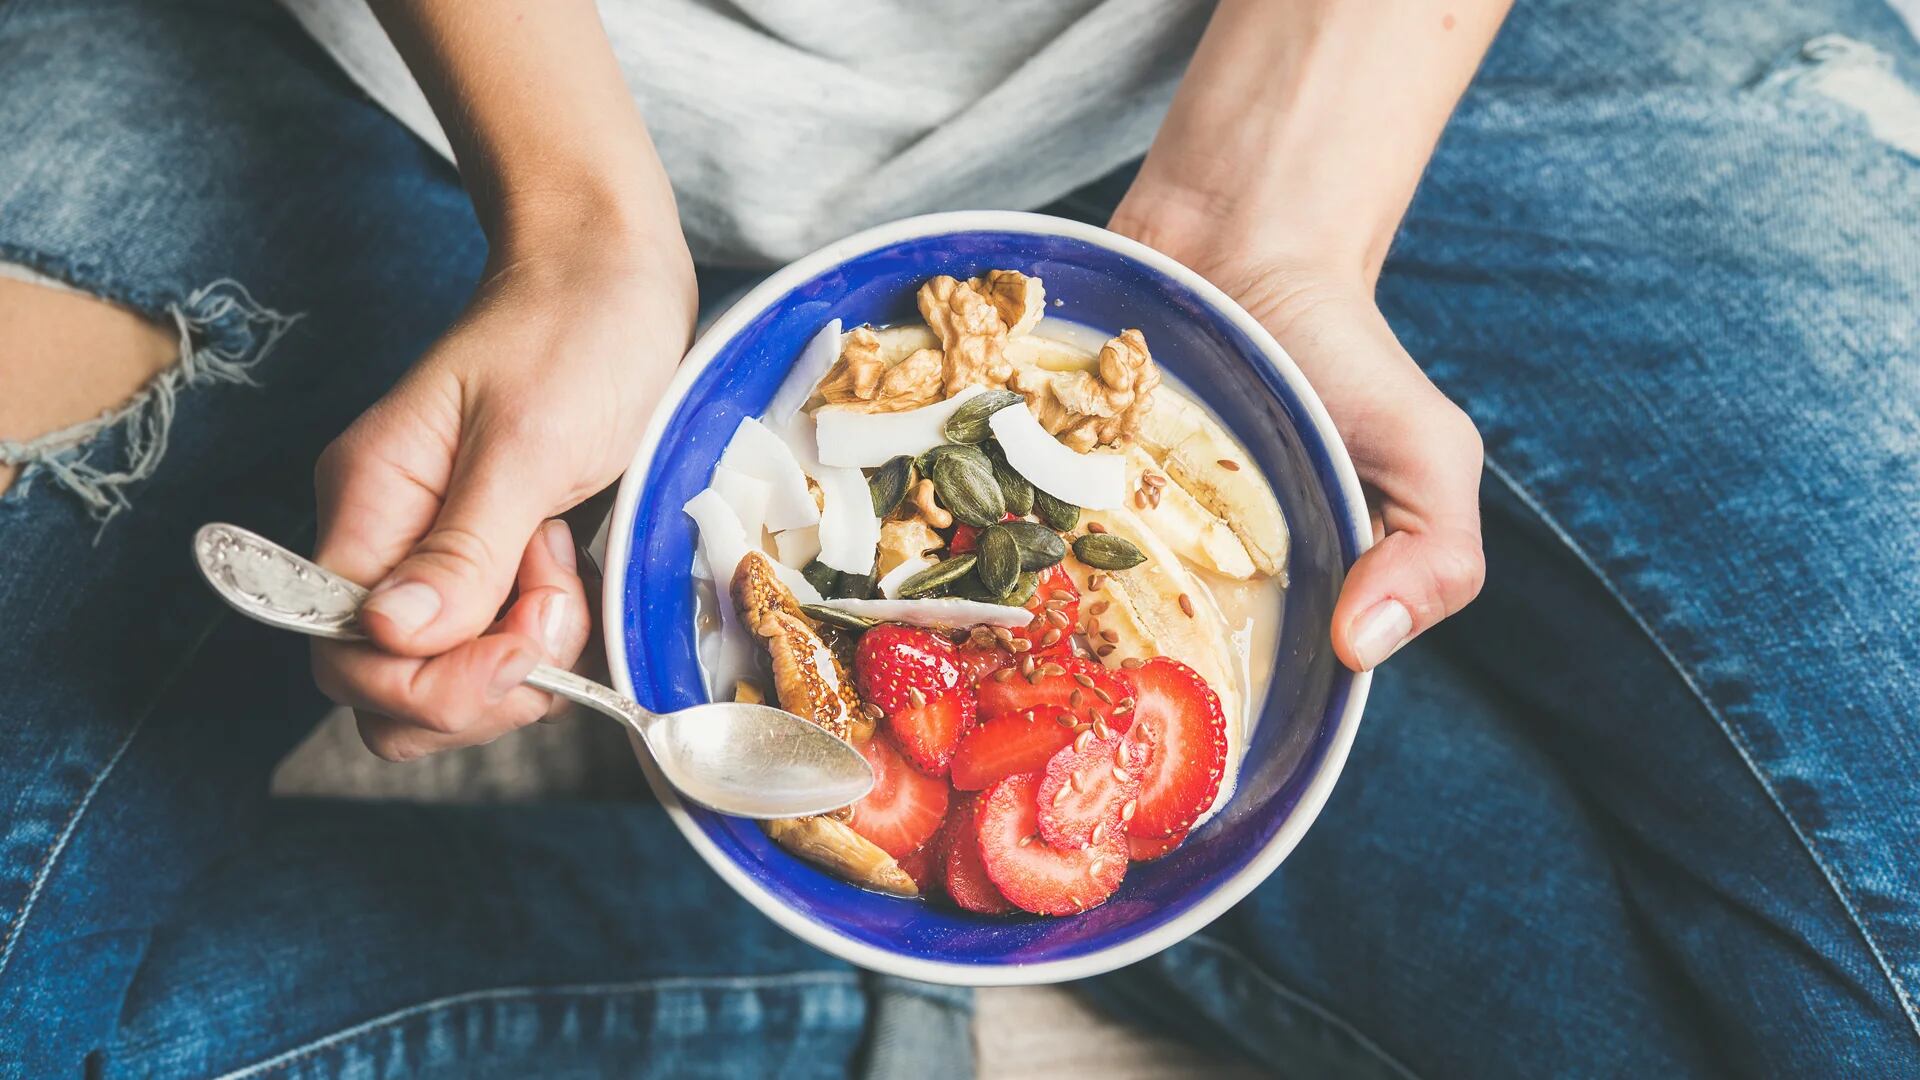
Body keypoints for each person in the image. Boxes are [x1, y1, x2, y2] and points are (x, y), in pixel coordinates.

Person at [1, 0, 1915, 1074]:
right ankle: (883, 1000)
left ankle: (1209, 853)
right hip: (407, 76)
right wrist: (574, 207)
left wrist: (1281, 194)